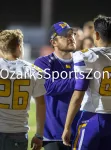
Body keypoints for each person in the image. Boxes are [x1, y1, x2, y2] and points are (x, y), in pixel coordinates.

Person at [62, 15, 111, 150]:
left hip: (92, 118)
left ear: (96, 34)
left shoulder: (86, 56)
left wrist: (67, 127)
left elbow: (78, 95)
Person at [34, 22, 81, 150]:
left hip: (80, 131)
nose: (71, 37)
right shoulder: (42, 62)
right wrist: (81, 80)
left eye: (72, 34)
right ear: (53, 42)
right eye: (65, 35)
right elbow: (48, 87)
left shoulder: (83, 60)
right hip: (53, 134)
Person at [0, 29, 46, 150]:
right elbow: (41, 104)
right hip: (18, 133)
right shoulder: (35, 71)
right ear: (19, 46)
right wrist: (39, 135)